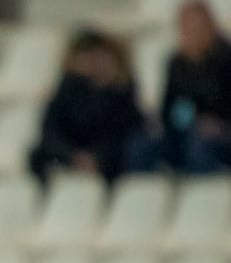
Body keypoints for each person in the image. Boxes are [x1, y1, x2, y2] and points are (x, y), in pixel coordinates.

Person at [129, 0, 231, 175]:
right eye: (187, 29)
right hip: (191, 132)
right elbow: (170, 109)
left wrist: (219, 126)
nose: (193, 35)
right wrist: (186, 123)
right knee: (143, 146)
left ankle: (205, 196)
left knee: (200, 145)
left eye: (197, 28)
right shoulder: (177, 64)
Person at [28, 29, 144, 185]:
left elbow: (120, 134)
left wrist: (96, 157)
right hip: (72, 153)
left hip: (106, 159)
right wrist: (72, 156)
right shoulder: (70, 89)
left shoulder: (122, 94)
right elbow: (50, 130)